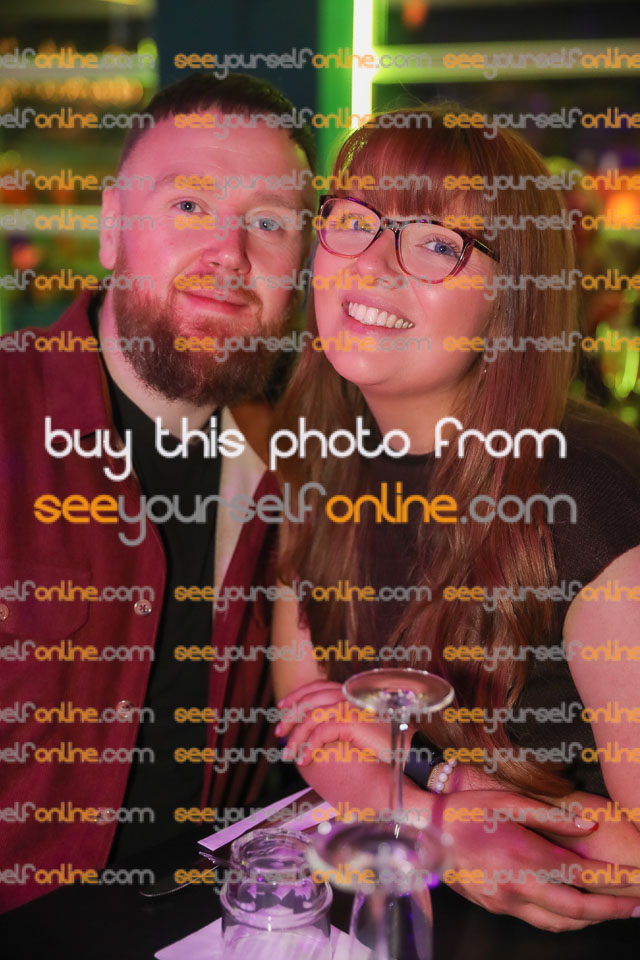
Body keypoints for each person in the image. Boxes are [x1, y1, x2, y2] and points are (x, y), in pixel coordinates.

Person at [271, 104, 640, 932]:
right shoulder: (314, 449)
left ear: (513, 299)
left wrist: (416, 780)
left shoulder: (588, 495)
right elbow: (306, 712)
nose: (373, 265)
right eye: (354, 221)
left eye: (438, 244)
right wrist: (432, 811)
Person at [0, 73, 314, 912]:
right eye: (188, 205)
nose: (230, 253)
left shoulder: (298, 477)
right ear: (111, 228)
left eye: (270, 223)